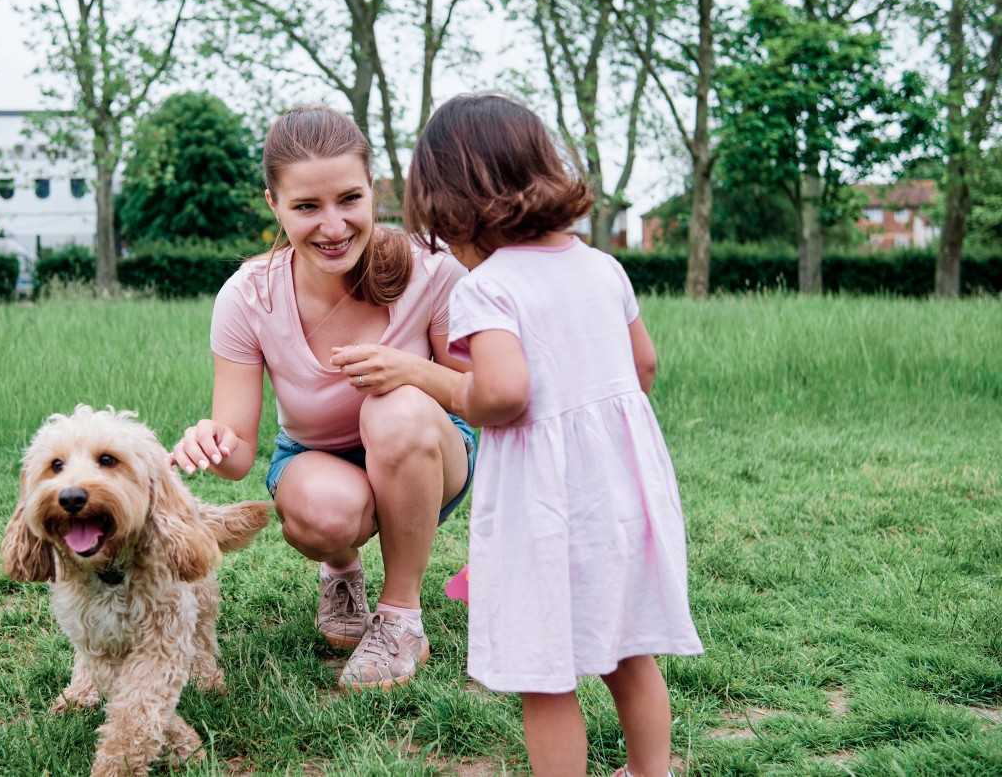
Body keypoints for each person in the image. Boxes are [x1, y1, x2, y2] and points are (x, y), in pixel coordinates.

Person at [403, 93, 702, 777]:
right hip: (622, 499)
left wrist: (438, 381)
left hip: (545, 509)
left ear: (454, 202)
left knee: (547, 673)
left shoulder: (491, 286)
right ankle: (650, 771)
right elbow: (644, 365)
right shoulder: (602, 265)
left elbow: (504, 393)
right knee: (630, 650)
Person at [169, 106, 478, 691]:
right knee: (328, 514)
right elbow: (237, 459)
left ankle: (400, 618)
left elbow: (478, 398)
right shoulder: (248, 297)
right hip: (317, 459)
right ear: (274, 205)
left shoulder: (432, 272)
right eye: (307, 207)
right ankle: (340, 569)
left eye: (349, 199)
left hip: (431, 453)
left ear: (372, 191)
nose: (333, 227)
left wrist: (408, 370)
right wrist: (209, 438)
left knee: (396, 403)